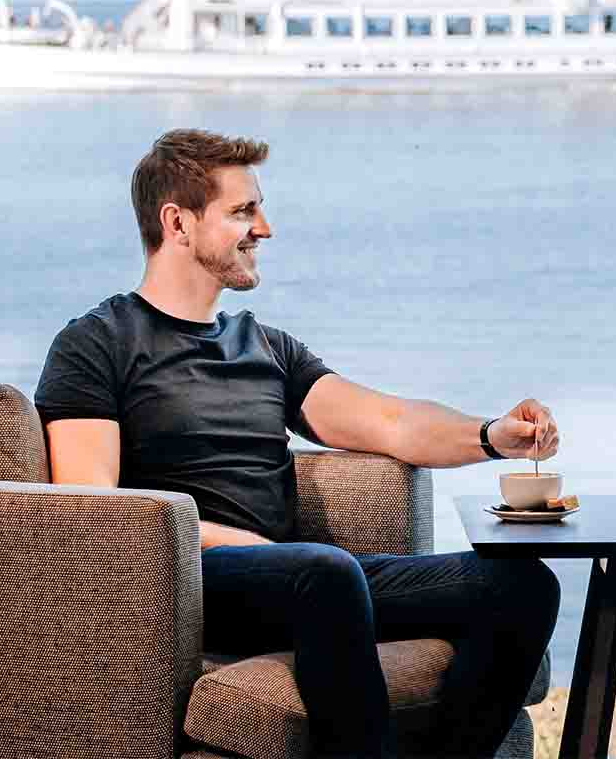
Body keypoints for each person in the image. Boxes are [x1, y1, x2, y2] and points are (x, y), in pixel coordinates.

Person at [35, 129, 562, 759]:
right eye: (242, 211)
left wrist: (491, 435)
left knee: (521, 586)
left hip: (302, 579)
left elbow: (390, 421)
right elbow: (98, 510)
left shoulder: (265, 346)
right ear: (176, 222)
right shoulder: (98, 343)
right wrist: (238, 543)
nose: (265, 228)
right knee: (322, 570)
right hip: (190, 583)